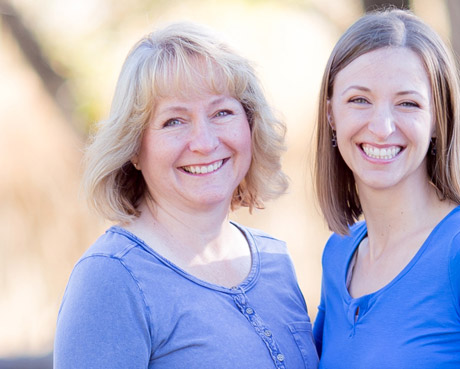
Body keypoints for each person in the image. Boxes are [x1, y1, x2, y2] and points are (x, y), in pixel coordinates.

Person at [54, 22, 318, 369]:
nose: (205, 142)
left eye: (222, 113)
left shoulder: (274, 259)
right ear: (133, 147)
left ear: (250, 126)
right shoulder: (112, 279)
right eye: (174, 121)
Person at [312, 8, 460, 369]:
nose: (381, 127)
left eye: (408, 103)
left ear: (439, 120)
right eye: (359, 100)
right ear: (331, 114)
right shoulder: (338, 254)